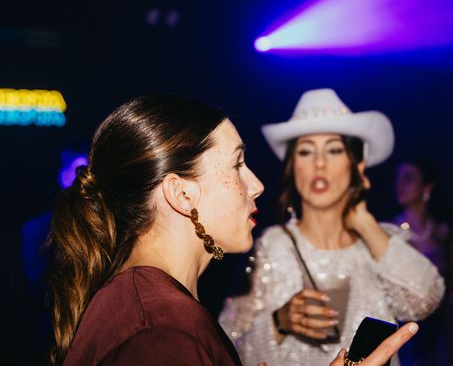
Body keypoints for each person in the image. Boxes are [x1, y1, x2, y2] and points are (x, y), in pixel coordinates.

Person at [46, 93, 420, 366]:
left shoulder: (149, 306)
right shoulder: (161, 336)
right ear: (181, 193)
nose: (256, 184)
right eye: (237, 164)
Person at [220, 88, 445, 366]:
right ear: (292, 167)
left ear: (356, 165)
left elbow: (426, 299)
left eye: (335, 150)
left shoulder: (379, 241)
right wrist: (279, 323)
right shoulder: (273, 246)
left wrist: (363, 221)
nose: (319, 163)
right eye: (305, 151)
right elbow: (227, 343)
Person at [393, 158, 453, 365]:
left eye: (408, 178)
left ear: (427, 187)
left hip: (443, 326)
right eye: (398, 178)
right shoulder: (388, 234)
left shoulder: (445, 231)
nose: (400, 185)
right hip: (407, 328)